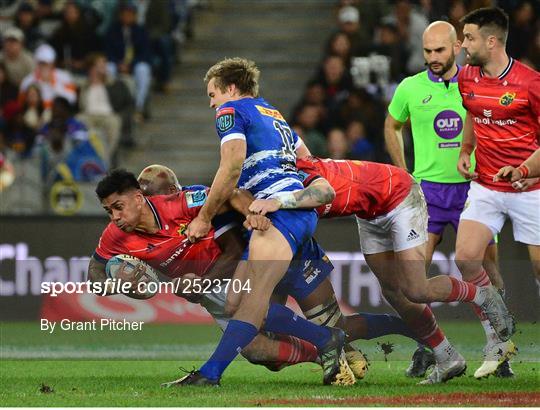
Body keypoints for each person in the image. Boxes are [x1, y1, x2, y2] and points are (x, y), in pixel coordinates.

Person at [249, 152, 514, 384]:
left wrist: (278, 202)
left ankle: (483, 295)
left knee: (416, 289)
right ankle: (447, 357)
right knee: (392, 291)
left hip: (399, 194)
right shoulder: (282, 175)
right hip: (369, 214)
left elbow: (324, 193)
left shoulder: (298, 182)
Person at [89, 169, 365, 385]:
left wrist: (252, 215)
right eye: (108, 211)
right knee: (260, 354)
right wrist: (116, 285)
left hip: (233, 266)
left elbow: (231, 194)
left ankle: (329, 338)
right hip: (205, 291)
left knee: (250, 309)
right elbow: (95, 274)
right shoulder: (116, 236)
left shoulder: (181, 203)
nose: (114, 217)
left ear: (138, 198)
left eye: (118, 206)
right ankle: (324, 350)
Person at [181, 58, 355, 386]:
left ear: (231, 88)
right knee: (236, 302)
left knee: (253, 300)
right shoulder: (274, 115)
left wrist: (204, 218)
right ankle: (325, 339)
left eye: (213, 93)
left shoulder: (230, 112)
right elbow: (307, 161)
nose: (211, 102)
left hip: (281, 214)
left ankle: (210, 373)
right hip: (293, 209)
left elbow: (231, 168)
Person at [384, 21, 508, 377]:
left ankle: (500, 350)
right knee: (412, 280)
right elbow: (391, 125)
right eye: (427, 51)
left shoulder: (479, 83)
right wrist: (403, 172)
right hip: (427, 194)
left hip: (474, 190)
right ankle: (428, 347)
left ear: (456, 48)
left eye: (439, 50)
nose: (432, 57)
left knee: (489, 271)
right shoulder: (410, 87)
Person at [456, 7, 540, 379]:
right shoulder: (467, 79)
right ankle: (499, 336)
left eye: (469, 37)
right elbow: (473, 112)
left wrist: (523, 169)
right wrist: (464, 150)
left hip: (529, 187)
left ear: (491, 41)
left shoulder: (530, 83)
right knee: (466, 258)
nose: (464, 44)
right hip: (486, 185)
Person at [19, 44, 77, 108]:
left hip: (58, 113)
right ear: (36, 63)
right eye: (41, 63)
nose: (43, 67)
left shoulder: (65, 76)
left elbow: (72, 99)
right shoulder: (27, 80)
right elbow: (21, 102)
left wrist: (53, 84)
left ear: (52, 64)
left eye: (46, 64)